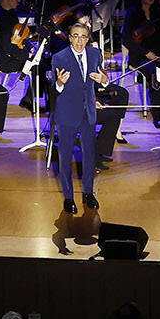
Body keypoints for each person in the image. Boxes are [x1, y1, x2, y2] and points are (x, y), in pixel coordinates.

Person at [51, 21, 107, 214]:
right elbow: (54, 89)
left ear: (88, 38)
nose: (79, 41)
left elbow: (101, 77)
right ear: (69, 37)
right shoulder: (59, 58)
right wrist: (59, 83)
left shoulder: (94, 54)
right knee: (65, 157)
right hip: (67, 113)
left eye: (83, 36)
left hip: (88, 112)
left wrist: (104, 81)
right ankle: (68, 197)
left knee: (90, 155)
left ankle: (88, 193)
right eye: (75, 36)